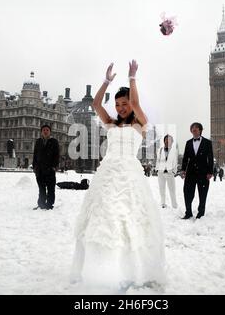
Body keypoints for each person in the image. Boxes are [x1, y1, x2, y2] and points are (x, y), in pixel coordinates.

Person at [70, 60, 166, 292]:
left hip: (128, 176)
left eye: (124, 104)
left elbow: (135, 102)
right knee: (104, 218)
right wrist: (106, 82)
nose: (122, 107)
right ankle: (105, 270)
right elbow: (95, 103)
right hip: (107, 175)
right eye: (118, 104)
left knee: (128, 219)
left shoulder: (141, 124)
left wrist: (132, 78)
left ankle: (133, 271)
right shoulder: (111, 123)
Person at [180, 123, 214, 220]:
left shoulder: (207, 142)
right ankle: (188, 212)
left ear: (200, 130)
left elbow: (210, 158)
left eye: (195, 129)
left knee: (203, 193)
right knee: (187, 192)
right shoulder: (188, 143)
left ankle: (201, 213)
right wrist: (183, 169)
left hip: (203, 172)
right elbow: (185, 157)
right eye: (192, 129)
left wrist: (210, 172)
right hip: (190, 172)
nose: (194, 131)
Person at [32, 124, 60, 210]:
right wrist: (34, 166)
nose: (45, 131)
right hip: (39, 169)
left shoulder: (54, 141)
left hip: (50, 169)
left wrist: (54, 167)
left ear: (50, 132)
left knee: (51, 188)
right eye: (44, 130)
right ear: (41, 132)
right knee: (41, 188)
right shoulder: (38, 141)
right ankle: (41, 204)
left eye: (47, 130)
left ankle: (49, 205)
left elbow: (57, 155)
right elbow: (35, 155)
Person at [156, 134, 178, 209]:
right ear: (164, 141)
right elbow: (158, 160)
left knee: (172, 190)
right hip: (161, 172)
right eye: (166, 140)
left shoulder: (174, 151)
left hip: (169, 172)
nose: (167, 141)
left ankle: (174, 205)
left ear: (172, 142)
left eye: (169, 140)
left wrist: (174, 172)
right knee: (161, 189)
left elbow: (175, 162)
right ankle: (163, 203)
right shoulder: (160, 150)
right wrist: (157, 169)